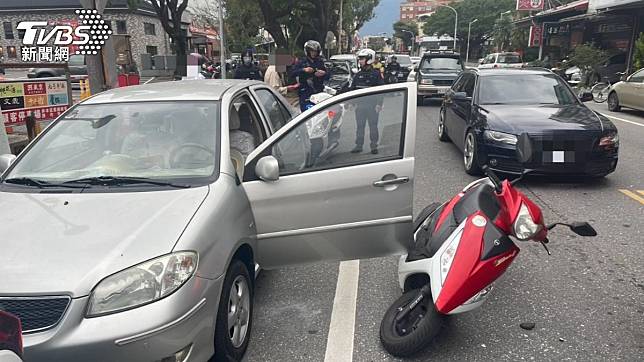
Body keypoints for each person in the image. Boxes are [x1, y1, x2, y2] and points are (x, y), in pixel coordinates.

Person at [350, 48, 384, 154]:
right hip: (360, 106)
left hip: (372, 106)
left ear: (369, 59)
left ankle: (374, 146)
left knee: (373, 126)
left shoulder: (376, 74)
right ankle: (358, 145)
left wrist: (379, 104)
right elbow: (352, 90)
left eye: (362, 59)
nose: (360, 61)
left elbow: (381, 90)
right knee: (360, 127)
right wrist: (351, 103)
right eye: (359, 59)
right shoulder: (358, 75)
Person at [290, 40, 328, 111]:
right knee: (307, 113)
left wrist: (323, 73)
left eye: (315, 51)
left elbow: (328, 76)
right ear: (307, 51)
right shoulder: (301, 62)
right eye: (312, 51)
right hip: (305, 93)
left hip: (319, 92)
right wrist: (304, 70)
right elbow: (292, 73)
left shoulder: (320, 62)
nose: (314, 53)